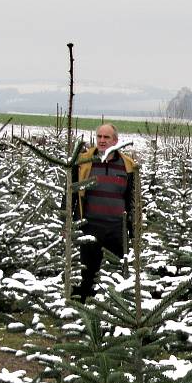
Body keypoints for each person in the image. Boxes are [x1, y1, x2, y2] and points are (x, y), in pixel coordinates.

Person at [67, 123, 137, 300]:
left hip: (116, 228)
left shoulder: (127, 166)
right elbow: (70, 194)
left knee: (118, 270)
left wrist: (133, 229)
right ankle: (84, 304)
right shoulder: (83, 162)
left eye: (107, 137)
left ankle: (117, 305)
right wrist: (67, 221)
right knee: (88, 270)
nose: (102, 140)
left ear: (116, 141)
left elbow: (132, 200)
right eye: (99, 136)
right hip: (90, 226)